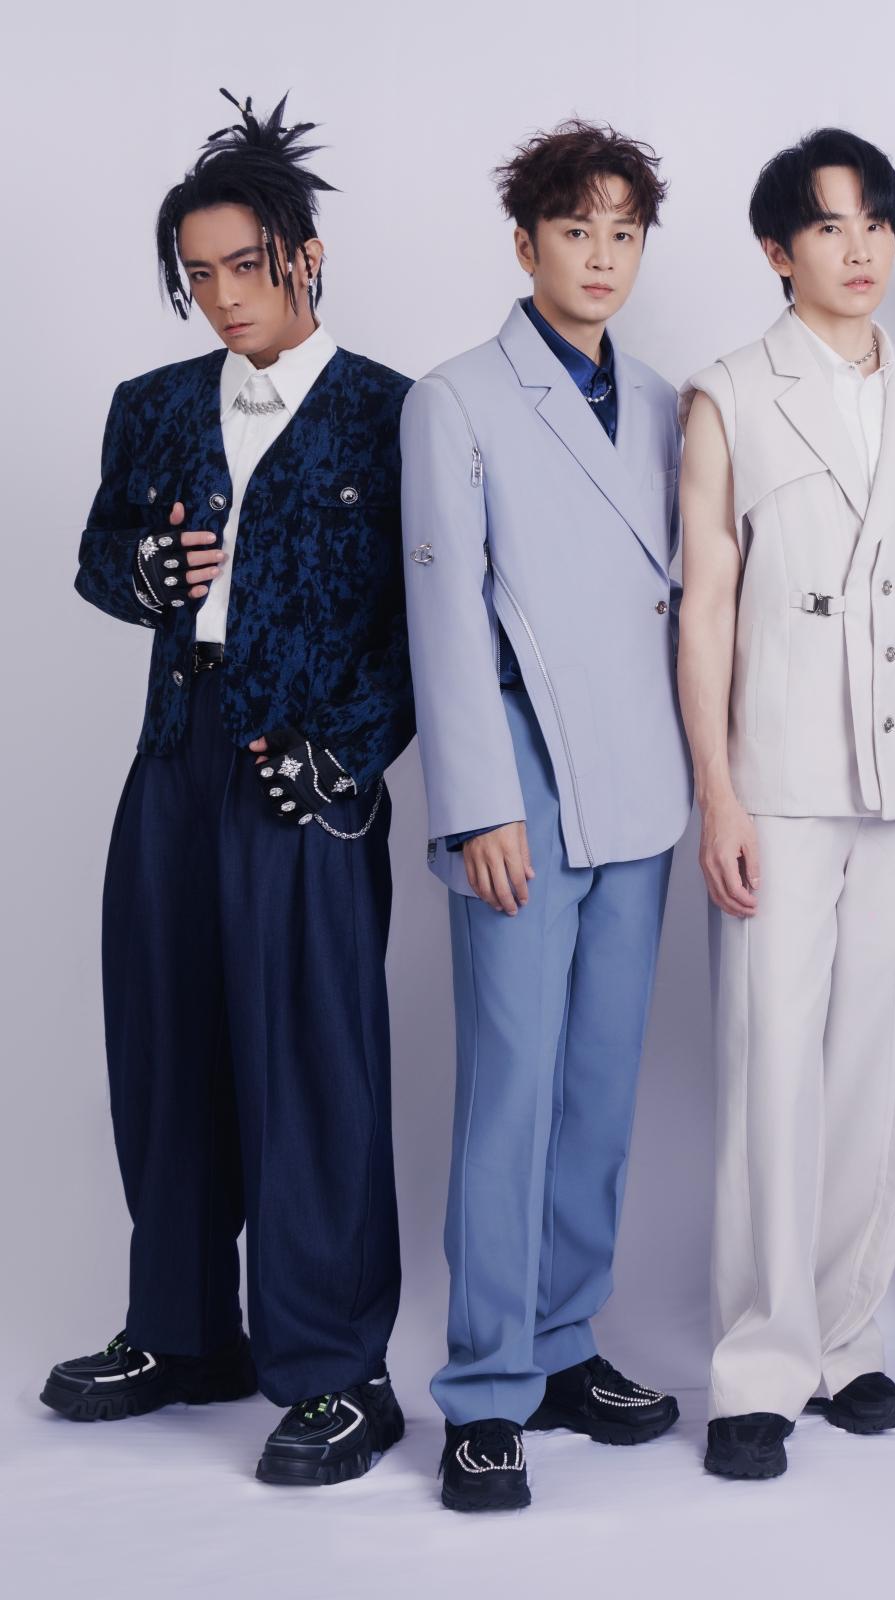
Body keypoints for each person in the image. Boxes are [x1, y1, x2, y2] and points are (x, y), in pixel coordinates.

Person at [46, 90, 413, 1487]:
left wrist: (352, 753)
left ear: (305, 255)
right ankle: (185, 1332)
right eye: (197, 275)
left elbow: (429, 627)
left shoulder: (393, 414)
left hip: (307, 773)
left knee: (312, 1067)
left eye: (244, 266)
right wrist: (140, 571)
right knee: (164, 1040)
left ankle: (336, 1372)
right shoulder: (150, 408)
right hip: (173, 757)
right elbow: (100, 557)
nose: (222, 297)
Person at [678, 127, 895, 1480]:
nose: (860, 247)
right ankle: (758, 1364)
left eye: (876, 220)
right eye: (828, 225)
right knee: (772, 1062)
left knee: (888, 1060)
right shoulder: (728, 393)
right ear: (778, 250)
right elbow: (705, 605)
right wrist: (717, 791)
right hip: (783, 775)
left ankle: (846, 1340)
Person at [401, 120, 688, 1512]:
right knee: (510, 1089)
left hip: (642, 781)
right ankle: (483, 1388)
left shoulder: (669, 403)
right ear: (525, 245)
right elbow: (444, 617)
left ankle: (567, 1344)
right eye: (576, 230)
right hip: (519, 775)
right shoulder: (455, 398)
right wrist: (477, 805)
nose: (601, 256)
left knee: (599, 1089)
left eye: (623, 232)